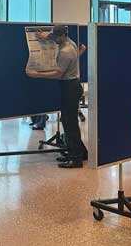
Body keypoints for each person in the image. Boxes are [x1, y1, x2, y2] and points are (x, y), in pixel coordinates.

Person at [26, 25, 88, 168]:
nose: (52, 38)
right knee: (69, 122)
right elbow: (82, 48)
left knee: (69, 123)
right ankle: (80, 152)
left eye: (54, 37)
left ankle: (75, 158)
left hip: (70, 87)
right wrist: (45, 36)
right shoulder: (70, 42)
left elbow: (57, 74)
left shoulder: (66, 51)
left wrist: (36, 74)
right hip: (72, 85)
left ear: (61, 36)